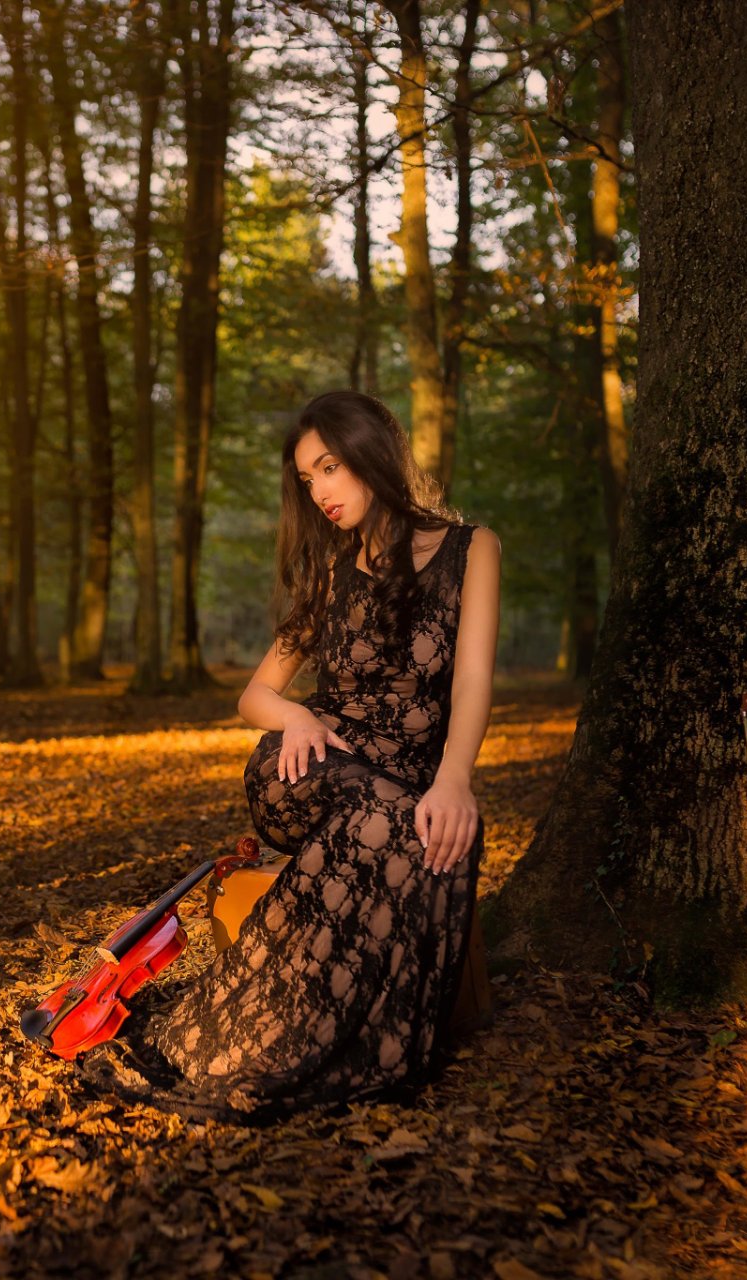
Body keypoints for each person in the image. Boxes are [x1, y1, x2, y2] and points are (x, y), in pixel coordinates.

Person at [75, 389, 501, 1122]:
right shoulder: (331, 570)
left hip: (399, 785)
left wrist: (455, 779)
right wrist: (298, 715)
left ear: (373, 452)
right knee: (394, 822)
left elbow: (471, 681)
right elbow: (254, 697)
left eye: (329, 468)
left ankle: (332, 1045)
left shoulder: (472, 549)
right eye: (308, 479)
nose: (320, 493)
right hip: (305, 771)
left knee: (431, 836)